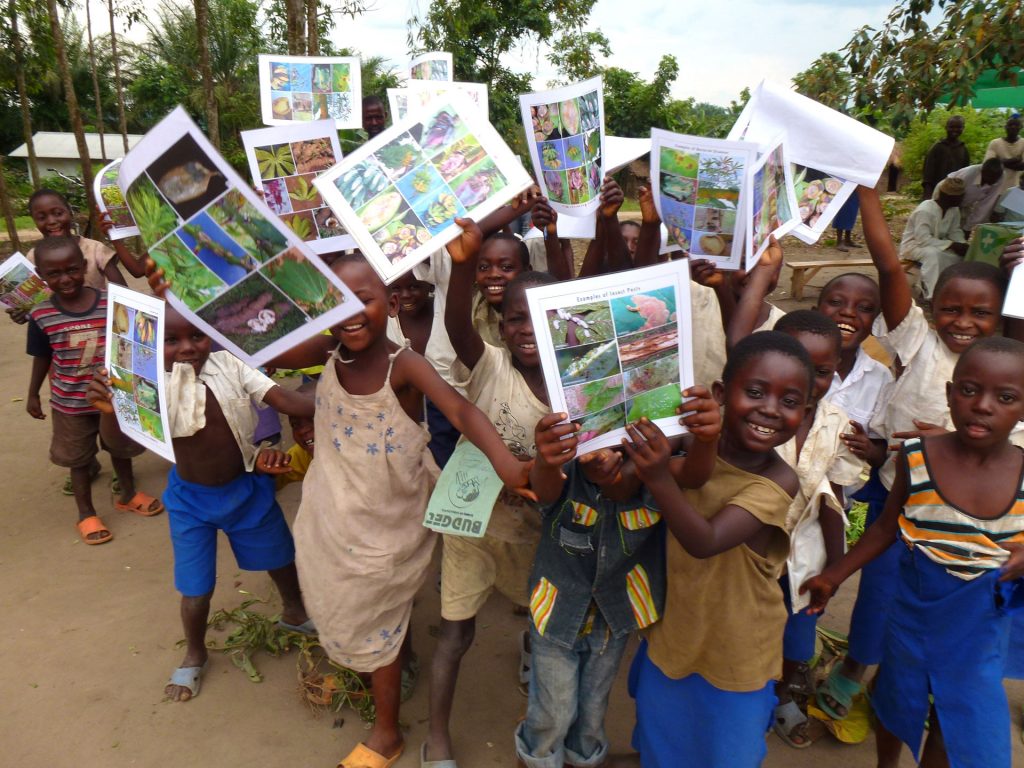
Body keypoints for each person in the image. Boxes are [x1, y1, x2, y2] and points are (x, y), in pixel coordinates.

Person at [262, 247, 531, 768]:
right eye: (333, 304)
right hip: (334, 512)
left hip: (388, 520)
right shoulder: (327, 350)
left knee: (378, 619)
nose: (349, 315)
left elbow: (459, 408)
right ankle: (386, 660)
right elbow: (264, 346)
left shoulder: (402, 364)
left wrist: (505, 463)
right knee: (349, 605)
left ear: (388, 303)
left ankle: (386, 732)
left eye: (361, 300)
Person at [815, 186, 1010, 720]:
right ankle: (857, 667)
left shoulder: (1005, 362)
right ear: (930, 308)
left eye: (980, 313)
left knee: (952, 596)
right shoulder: (917, 339)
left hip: (972, 509)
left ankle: (923, 679)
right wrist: (867, 190)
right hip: (898, 491)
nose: (963, 322)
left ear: (1001, 317)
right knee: (879, 587)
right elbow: (889, 267)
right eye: (951, 308)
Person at [801, 337, 1024, 768]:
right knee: (897, 694)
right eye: (969, 389)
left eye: (1006, 397)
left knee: (956, 708)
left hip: (979, 625)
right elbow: (886, 527)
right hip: (914, 611)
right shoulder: (919, 457)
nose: (983, 405)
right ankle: (888, 762)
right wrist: (835, 574)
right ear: (949, 394)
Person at [90, 303, 316, 701]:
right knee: (195, 591)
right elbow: (121, 444)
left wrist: (351, 381)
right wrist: (111, 411)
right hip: (191, 502)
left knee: (281, 557)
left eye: (197, 336)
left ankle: (295, 613)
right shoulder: (148, 386)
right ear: (151, 346)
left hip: (247, 487)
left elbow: (292, 404)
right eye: (171, 340)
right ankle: (195, 653)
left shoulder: (230, 365)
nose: (188, 348)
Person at [625, 331, 813, 767]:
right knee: (662, 736)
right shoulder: (689, 443)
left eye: (789, 402)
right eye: (755, 392)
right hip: (676, 625)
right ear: (719, 394)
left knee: (728, 751)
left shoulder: (779, 479)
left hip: (738, 646)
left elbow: (703, 541)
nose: (770, 409)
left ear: (805, 414)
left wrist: (657, 476)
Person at [517, 389, 721, 768]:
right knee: (554, 709)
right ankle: (538, 758)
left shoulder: (659, 471)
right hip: (557, 609)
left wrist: (707, 439)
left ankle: (582, 759)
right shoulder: (571, 459)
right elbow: (544, 493)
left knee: (593, 708)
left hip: (615, 615)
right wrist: (546, 460)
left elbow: (694, 472)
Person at [424, 221, 553, 768]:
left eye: (541, 319)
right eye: (515, 318)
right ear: (500, 321)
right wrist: (461, 266)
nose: (526, 329)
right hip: (471, 522)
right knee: (455, 633)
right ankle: (437, 735)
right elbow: (456, 323)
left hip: (538, 532)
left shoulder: (580, 383)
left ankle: (543, 731)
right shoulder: (489, 362)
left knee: (541, 624)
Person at [26, 236, 160, 545]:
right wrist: (32, 393)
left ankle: (127, 494)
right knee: (78, 459)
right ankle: (85, 512)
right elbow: (42, 356)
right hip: (69, 402)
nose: (65, 279)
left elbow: (132, 343)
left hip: (113, 398)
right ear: (41, 275)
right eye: (54, 274)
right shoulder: (41, 315)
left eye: (72, 269)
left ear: (85, 266)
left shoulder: (110, 301)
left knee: (121, 450)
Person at [898, 176, 968, 299]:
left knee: (958, 257)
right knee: (933, 255)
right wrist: (951, 244)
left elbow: (954, 231)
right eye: (960, 197)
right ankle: (934, 295)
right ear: (949, 197)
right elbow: (923, 239)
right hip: (913, 246)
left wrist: (962, 244)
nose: (962, 199)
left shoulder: (954, 210)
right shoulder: (925, 210)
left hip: (937, 245)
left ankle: (949, 291)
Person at [930, 158, 1005, 233]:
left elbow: (985, 207)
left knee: (957, 229)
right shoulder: (969, 173)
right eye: (990, 177)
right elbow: (952, 191)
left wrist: (968, 228)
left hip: (963, 203)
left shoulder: (999, 177)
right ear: (983, 172)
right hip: (945, 195)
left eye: (996, 178)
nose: (994, 181)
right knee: (939, 223)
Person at [921, 115, 970, 200]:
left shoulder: (963, 149)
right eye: (952, 127)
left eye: (958, 127)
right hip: (936, 192)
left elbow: (965, 174)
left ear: (963, 128)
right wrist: (927, 195)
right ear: (946, 128)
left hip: (954, 194)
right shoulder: (937, 147)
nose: (955, 130)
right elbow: (928, 173)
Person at [984, 114, 1024, 194]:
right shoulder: (995, 143)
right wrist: (1015, 159)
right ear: (1005, 127)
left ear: (1021, 127)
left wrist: (999, 161)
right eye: (1010, 125)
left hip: (1016, 188)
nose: (1013, 127)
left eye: (1016, 125)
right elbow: (988, 165)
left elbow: (1022, 166)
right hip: (996, 189)